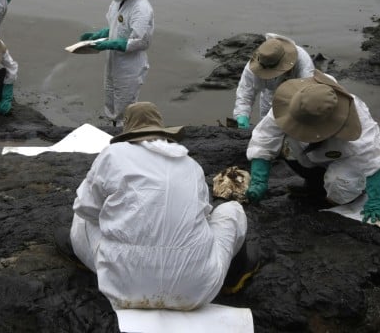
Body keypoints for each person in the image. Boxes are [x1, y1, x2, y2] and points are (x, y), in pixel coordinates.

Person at [65, 102, 255, 310]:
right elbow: (204, 216)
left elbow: (86, 209)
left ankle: (84, 256)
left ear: (128, 133)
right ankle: (235, 277)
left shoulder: (113, 154)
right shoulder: (191, 165)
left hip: (124, 288)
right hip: (195, 291)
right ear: (163, 133)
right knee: (232, 210)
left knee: (81, 216)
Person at [245, 70, 380, 224]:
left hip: (345, 157)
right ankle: (316, 185)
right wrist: (258, 181)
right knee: (288, 151)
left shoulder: (358, 121)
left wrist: (376, 200)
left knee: (339, 187)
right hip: (308, 154)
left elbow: (373, 158)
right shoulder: (292, 102)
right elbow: (264, 138)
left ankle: (344, 196)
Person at [78, 0, 154, 125]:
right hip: (114, 61)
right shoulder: (118, 3)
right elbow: (117, 27)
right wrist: (101, 35)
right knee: (111, 95)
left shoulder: (141, 8)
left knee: (125, 102)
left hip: (130, 65)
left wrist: (112, 44)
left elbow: (142, 41)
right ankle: (113, 126)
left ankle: (124, 133)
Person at [232, 33, 315, 129]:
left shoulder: (302, 61)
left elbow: (309, 92)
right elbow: (245, 92)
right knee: (266, 129)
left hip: (295, 98)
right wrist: (242, 114)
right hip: (269, 98)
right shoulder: (257, 63)